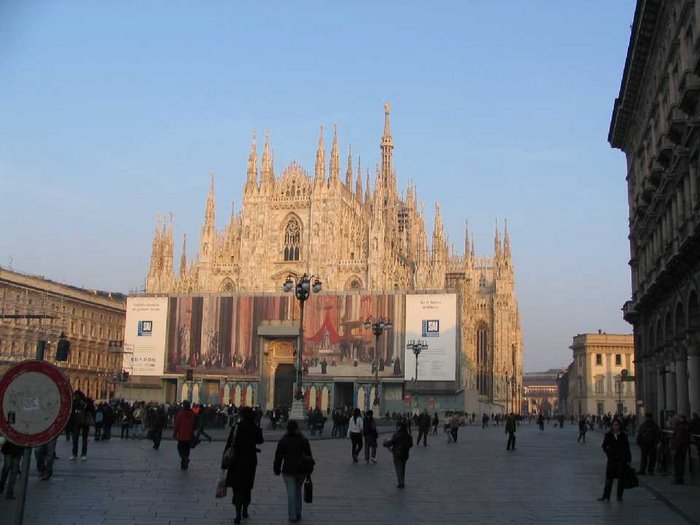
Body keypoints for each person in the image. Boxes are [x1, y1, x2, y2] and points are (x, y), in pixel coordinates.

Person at [225, 407, 264, 524]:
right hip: (250, 461)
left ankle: (237, 514)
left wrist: (224, 460)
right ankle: (245, 510)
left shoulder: (237, 427)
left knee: (237, 487)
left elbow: (229, 444)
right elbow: (260, 440)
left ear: (241, 416)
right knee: (247, 486)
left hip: (236, 461)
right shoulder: (255, 428)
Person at [273, 420, 313, 523]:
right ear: (297, 428)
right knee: (298, 490)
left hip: (288, 470)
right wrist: (309, 471)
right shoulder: (304, 440)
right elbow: (309, 456)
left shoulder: (284, 440)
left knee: (291, 492)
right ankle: (298, 512)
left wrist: (276, 468)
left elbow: (278, 456)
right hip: (301, 470)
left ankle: (292, 515)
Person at [598, 418, 631, 502]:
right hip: (612, 460)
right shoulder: (608, 435)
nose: (615, 426)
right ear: (612, 426)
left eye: (617, 425)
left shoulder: (623, 436)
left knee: (621, 479)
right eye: (614, 425)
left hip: (621, 460)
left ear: (620, 426)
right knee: (609, 479)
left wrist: (628, 460)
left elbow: (627, 448)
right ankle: (606, 496)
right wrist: (609, 453)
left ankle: (619, 496)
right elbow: (604, 446)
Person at [383, 418, 413, 488]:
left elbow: (391, 443)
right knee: (402, 468)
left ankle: (401, 483)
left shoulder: (396, 434)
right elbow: (411, 444)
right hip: (405, 454)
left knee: (398, 468)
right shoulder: (408, 436)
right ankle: (402, 481)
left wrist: (385, 443)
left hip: (397, 454)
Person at [173, 400, 196, 470]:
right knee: (187, 449)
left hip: (182, 435)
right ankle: (184, 463)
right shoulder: (192, 414)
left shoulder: (181, 413)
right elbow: (195, 424)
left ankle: (184, 459)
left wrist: (174, 433)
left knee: (180, 448)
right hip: (189, 435)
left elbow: (177, 424)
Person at [670, 415, 690, 485]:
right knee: (679, 464)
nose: (673, 420)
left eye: (674, 419)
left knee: (679, 464)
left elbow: (679, 439)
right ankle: (678, 478)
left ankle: (679, 479)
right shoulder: (681, 427)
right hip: (681, 449)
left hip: (679, 449)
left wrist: (675, 449)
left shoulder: (680, 428)